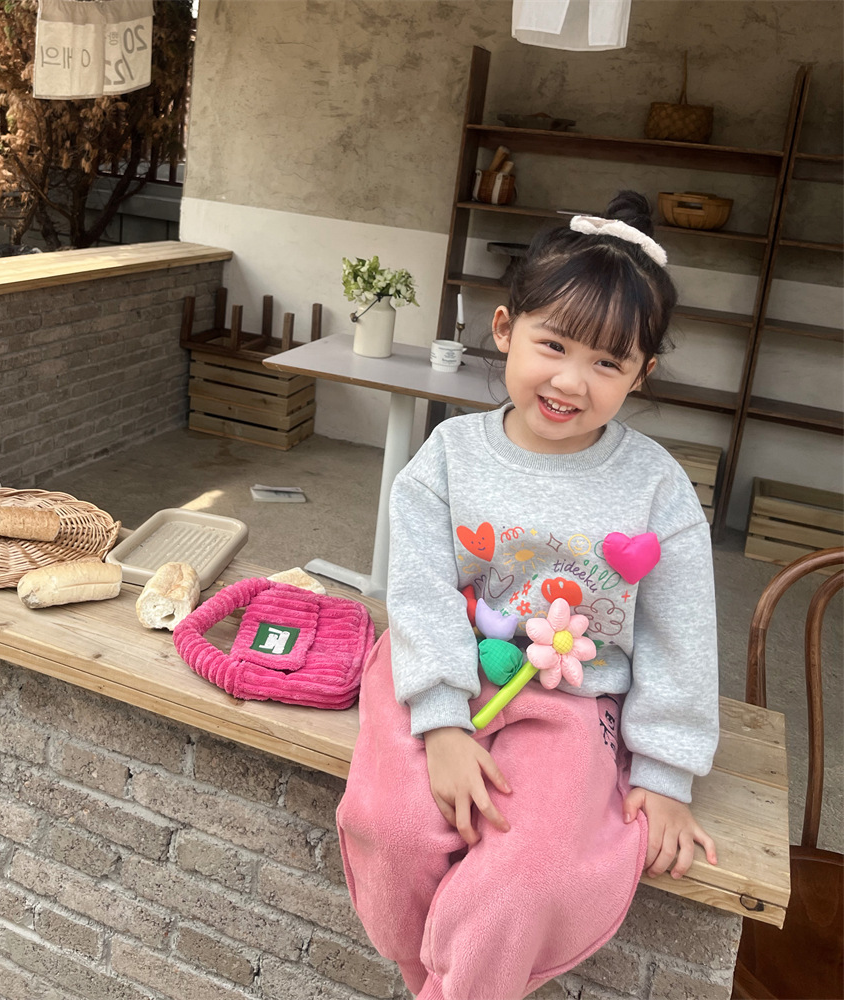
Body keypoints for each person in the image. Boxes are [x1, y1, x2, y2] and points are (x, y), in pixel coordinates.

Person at [336, 191, 720, 1000]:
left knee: (527, 874)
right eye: (554, 344)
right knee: (391, 826)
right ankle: (426, 978)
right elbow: (419, 592)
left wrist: (666, 774)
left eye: (609, 363)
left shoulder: (657, 488)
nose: (571, 381)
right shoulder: (447, 457)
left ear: (643, 374)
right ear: (506, 328)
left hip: (571, 702)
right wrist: (442, 724)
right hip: (439, 672)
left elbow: (680, 636)